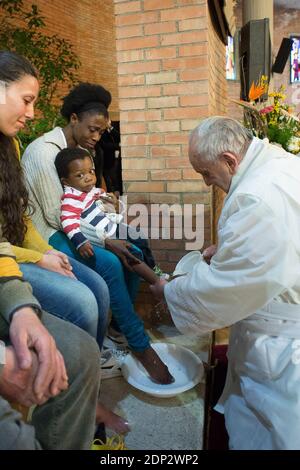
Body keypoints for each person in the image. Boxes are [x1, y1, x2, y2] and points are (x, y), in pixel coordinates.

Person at [151, 116, 300, 450]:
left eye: (206, 173)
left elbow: (227, 286)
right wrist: (230, 249)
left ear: (230, 161)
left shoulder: (257, 197)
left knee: (272, 430)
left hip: (284, 338)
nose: (206, 183)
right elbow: (283, 242)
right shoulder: (279, 164)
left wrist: (169, 291)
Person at [0, 49, 128, 435]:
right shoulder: (42, 152)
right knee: (86, 291)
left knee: (100, 280)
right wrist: (42, 256)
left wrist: (49, 251)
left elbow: (16, 217)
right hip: (23, 250)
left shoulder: (12, 144)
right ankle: (80, 383)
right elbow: (56, 216)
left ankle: (91, 371)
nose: (32, 113)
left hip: (24, 246)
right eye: (26, 100)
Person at [22, 82, 173, 384]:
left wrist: (111, 216)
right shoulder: (43, 152)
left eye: (101, 132)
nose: (96, 137)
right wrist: (106, 238)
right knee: (110, 262)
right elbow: (58, 215)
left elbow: (86, 200)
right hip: (48, 232)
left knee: (133, 245)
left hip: (74, 224)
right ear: (73, 119)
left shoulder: (76, 152)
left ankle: (119, 323)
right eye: (92, 129)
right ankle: (137, 341)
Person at [55, 147, 160, 286]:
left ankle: (153, 270)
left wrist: (111, 200)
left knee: (139, 238)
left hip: (114, 227)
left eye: (91, 171)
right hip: (107, 235)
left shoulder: (88, 189)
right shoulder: (71, 199)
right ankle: (155, 280)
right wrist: (80, 241)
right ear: (66, 182)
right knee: (133, 253)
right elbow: (68, 221)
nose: (88, 178)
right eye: (80, 175)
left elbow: (100, 194)